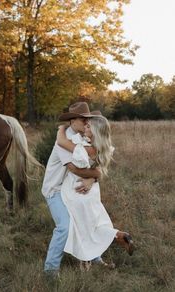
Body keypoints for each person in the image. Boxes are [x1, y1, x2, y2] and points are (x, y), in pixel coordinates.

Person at [56, 115, 134, 269]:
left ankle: (85, 261)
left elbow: (61, 142)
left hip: (76, 189)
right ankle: (118, 235)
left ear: (96, 131)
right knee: (93, 223)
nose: (85, 127)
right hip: (92, 190)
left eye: (88, 127)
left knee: (80, 227)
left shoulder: (85, 148)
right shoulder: (103, 148)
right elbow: (99, 171)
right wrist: (92, 179)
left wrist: (62, 128)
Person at [42, 102, 102, 275]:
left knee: (90, 217)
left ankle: (94, 257)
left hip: (72, 189)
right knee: (65, 227)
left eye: (88, 119)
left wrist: (91, 179)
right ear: (72, 121)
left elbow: (98, 166)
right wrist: (93, 176)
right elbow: (75, 169)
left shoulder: (84, 138)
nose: (86, 123)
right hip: (55, 190)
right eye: (83, 119)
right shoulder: (64, 141)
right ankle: (50, 270)